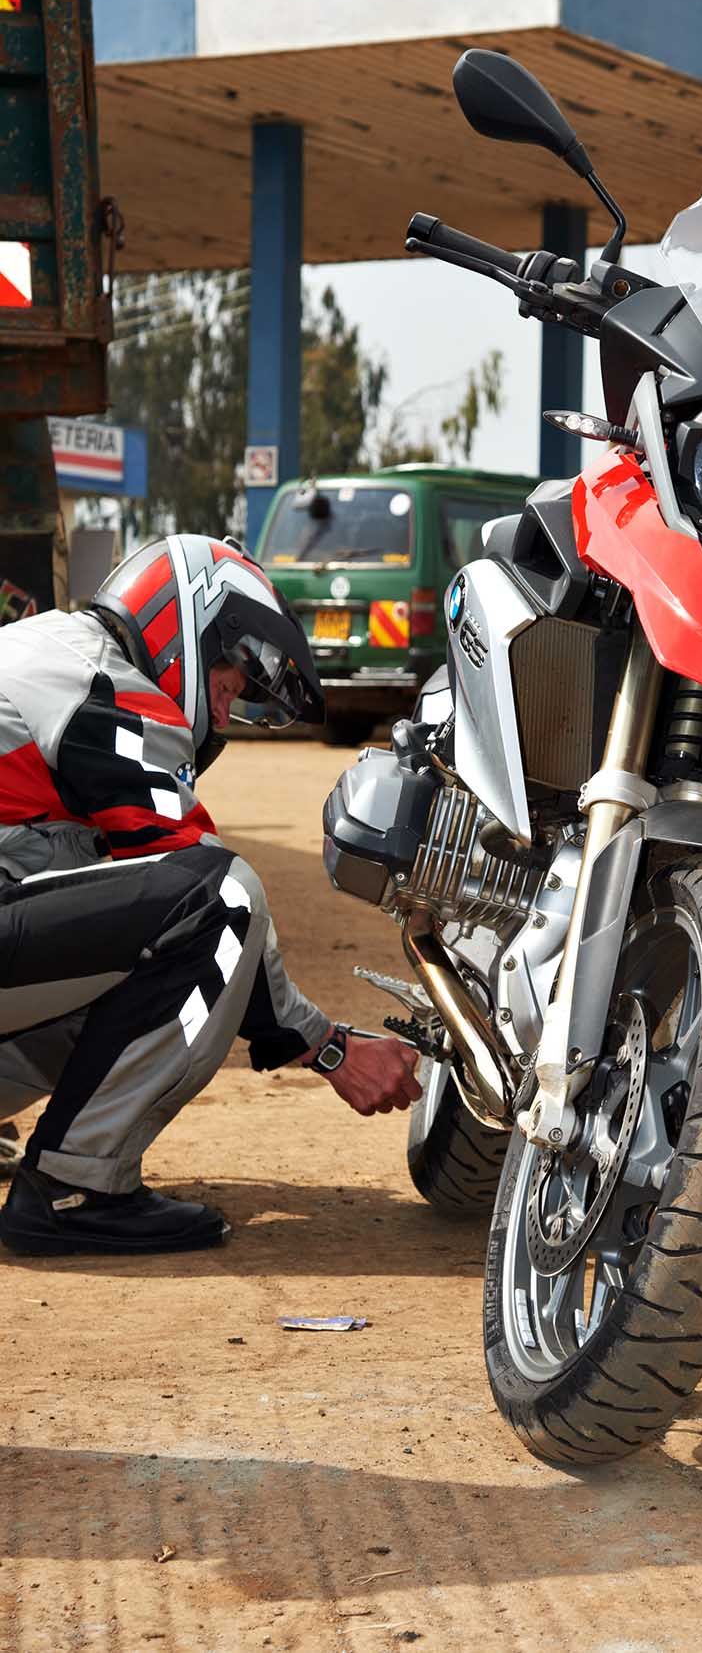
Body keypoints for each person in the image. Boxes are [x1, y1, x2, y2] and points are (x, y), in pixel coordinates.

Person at [0, 534, 421, 1257]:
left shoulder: (40, 649)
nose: (224, 713)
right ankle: (74, 1190)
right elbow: (203, 892)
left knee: (124, 971)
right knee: (220, 898)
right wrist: (331, 1047)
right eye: (230, 682)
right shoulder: (100, 681)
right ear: (187, 624)